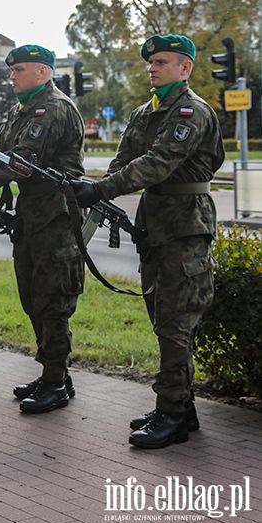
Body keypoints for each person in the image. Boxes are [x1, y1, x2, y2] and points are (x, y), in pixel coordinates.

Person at [71, 34, 222, 449]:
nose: (152, 68)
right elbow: (124, 160)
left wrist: (101, 191)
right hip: (155, 225)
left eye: (162, 62)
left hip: (185, 227)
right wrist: (90, 186)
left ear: (185, 67)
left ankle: (172, 416)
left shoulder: (191, 111)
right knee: (161, 317)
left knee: (175, 323)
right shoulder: (145, 112)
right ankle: (180, 406)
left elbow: (157, 163)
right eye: (150, 62)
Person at [0, 45, 85, 414]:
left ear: (44, 72)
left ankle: (55, 382)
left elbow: (19, 164)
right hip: (31, 215)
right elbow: (3, 156)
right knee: (33, 296)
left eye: (20, 69)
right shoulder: (22, 110)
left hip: (55, 216)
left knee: (52, 301)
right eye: (12, 70)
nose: (12, 76)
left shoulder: (53, 107)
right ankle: (54, 373)